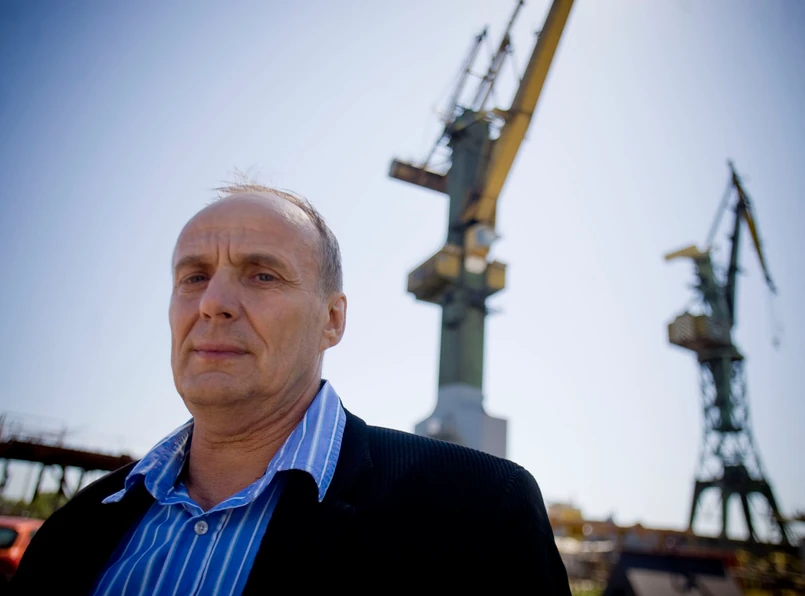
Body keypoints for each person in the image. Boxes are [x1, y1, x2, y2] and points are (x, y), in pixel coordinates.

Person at [11, 183, 570, 594]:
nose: (213, 303)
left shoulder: (480, 516)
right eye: (194, 277)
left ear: (333, 319)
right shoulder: (74, 531)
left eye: (262, 275)